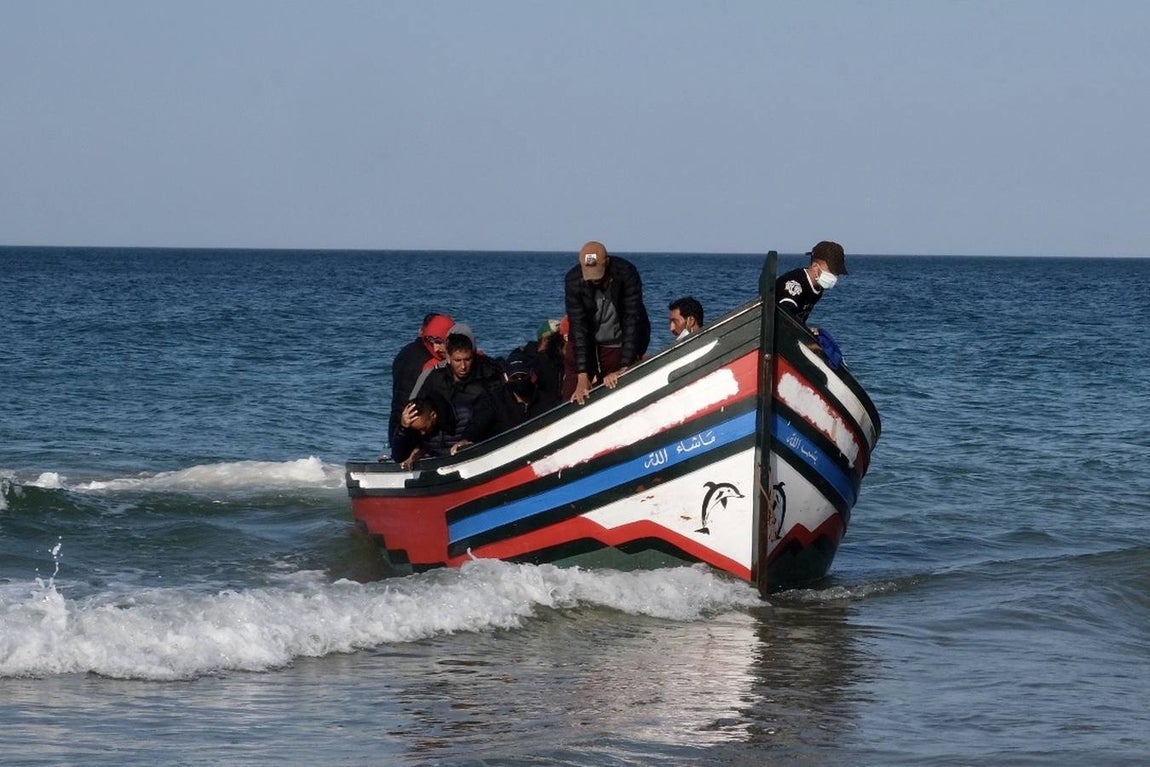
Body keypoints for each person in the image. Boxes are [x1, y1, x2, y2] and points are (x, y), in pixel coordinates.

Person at [563, 241, 651, 405]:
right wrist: (583, 375)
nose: (594, 280)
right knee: (574, 394)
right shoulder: (573, 280)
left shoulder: (626, 273)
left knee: (615, 388)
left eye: (598, 274)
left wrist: (625, 366)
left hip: (617, 342)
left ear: (607, 263)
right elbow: (578, 326)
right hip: (588, 341)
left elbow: (632, 320)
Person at [416, 332, 498, 455]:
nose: (463, 366)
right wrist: (416, 447)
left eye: (467, 359)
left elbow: (484, 416)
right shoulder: (435, 379)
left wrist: (466, 439)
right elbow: (420, 413)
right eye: (458, 360)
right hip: (434, 448)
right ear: (448, 358)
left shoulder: (484, 382)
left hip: (469, 446)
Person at [388, 313, 454, 443]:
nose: (436, 346)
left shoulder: (404, 352)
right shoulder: (432, 362)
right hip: (418, 429)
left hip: (396, 427)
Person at [776, 241, 849, 327]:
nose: (834, 277)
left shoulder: (818, 286)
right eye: (831, 271)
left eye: (836, 273)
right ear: (815, 267)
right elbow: (784, 316)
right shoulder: (795, 284)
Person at [492, 348, 560, 432]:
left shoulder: (545, 401)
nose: (519, 380)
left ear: (531, 376)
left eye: (523, 376)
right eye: (514, 377)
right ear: (506, 379)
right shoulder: (500, 405)